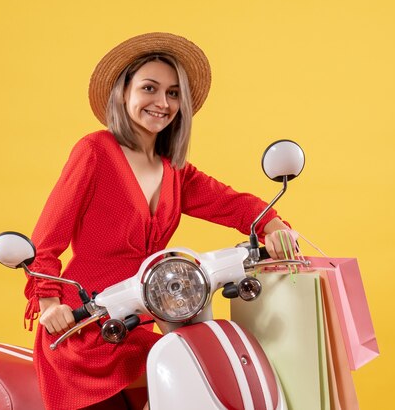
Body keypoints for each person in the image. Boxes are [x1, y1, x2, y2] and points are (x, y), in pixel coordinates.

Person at [23, 32, 297, 410]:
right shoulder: (95, 151)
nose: (162, 103)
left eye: (172, 93)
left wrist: (272, 224)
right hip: (83, 327)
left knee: (194, 369)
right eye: (149, 88)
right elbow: (47, 238)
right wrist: (51, 304)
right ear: (123, 93)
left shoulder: (174, 170)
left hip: (139, 322)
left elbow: (230, 202)